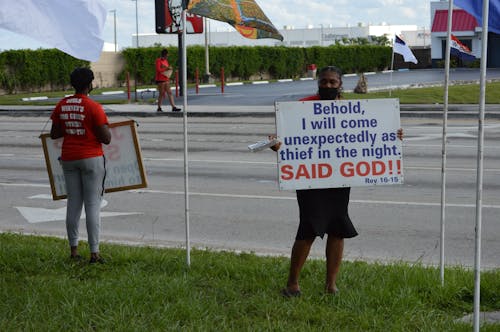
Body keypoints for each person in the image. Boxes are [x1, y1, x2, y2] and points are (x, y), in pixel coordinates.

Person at [272, 66, 403, 297]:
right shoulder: (302, 106)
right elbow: (289, 140)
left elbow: (369, 135)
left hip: (339, 178)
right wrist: (277, 145)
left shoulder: (351, 110)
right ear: (318, 82)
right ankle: (293, 283)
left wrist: (392, 134)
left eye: (333, 82)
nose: (328, 86)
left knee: (337, 228)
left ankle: (331, 285)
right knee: (309, 229)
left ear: (340, 84)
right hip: (310, 177)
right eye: (324, 82)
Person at [50, 67, 111, 264]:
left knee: (73, 204)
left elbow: (54, 134)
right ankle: (94, 253)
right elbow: (106, 138)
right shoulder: (93, 107)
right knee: (93, 204)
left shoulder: (62, 105)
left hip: (69, 158)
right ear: (89, 84)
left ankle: (74, 250)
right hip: (91, 158)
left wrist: (72, 127)